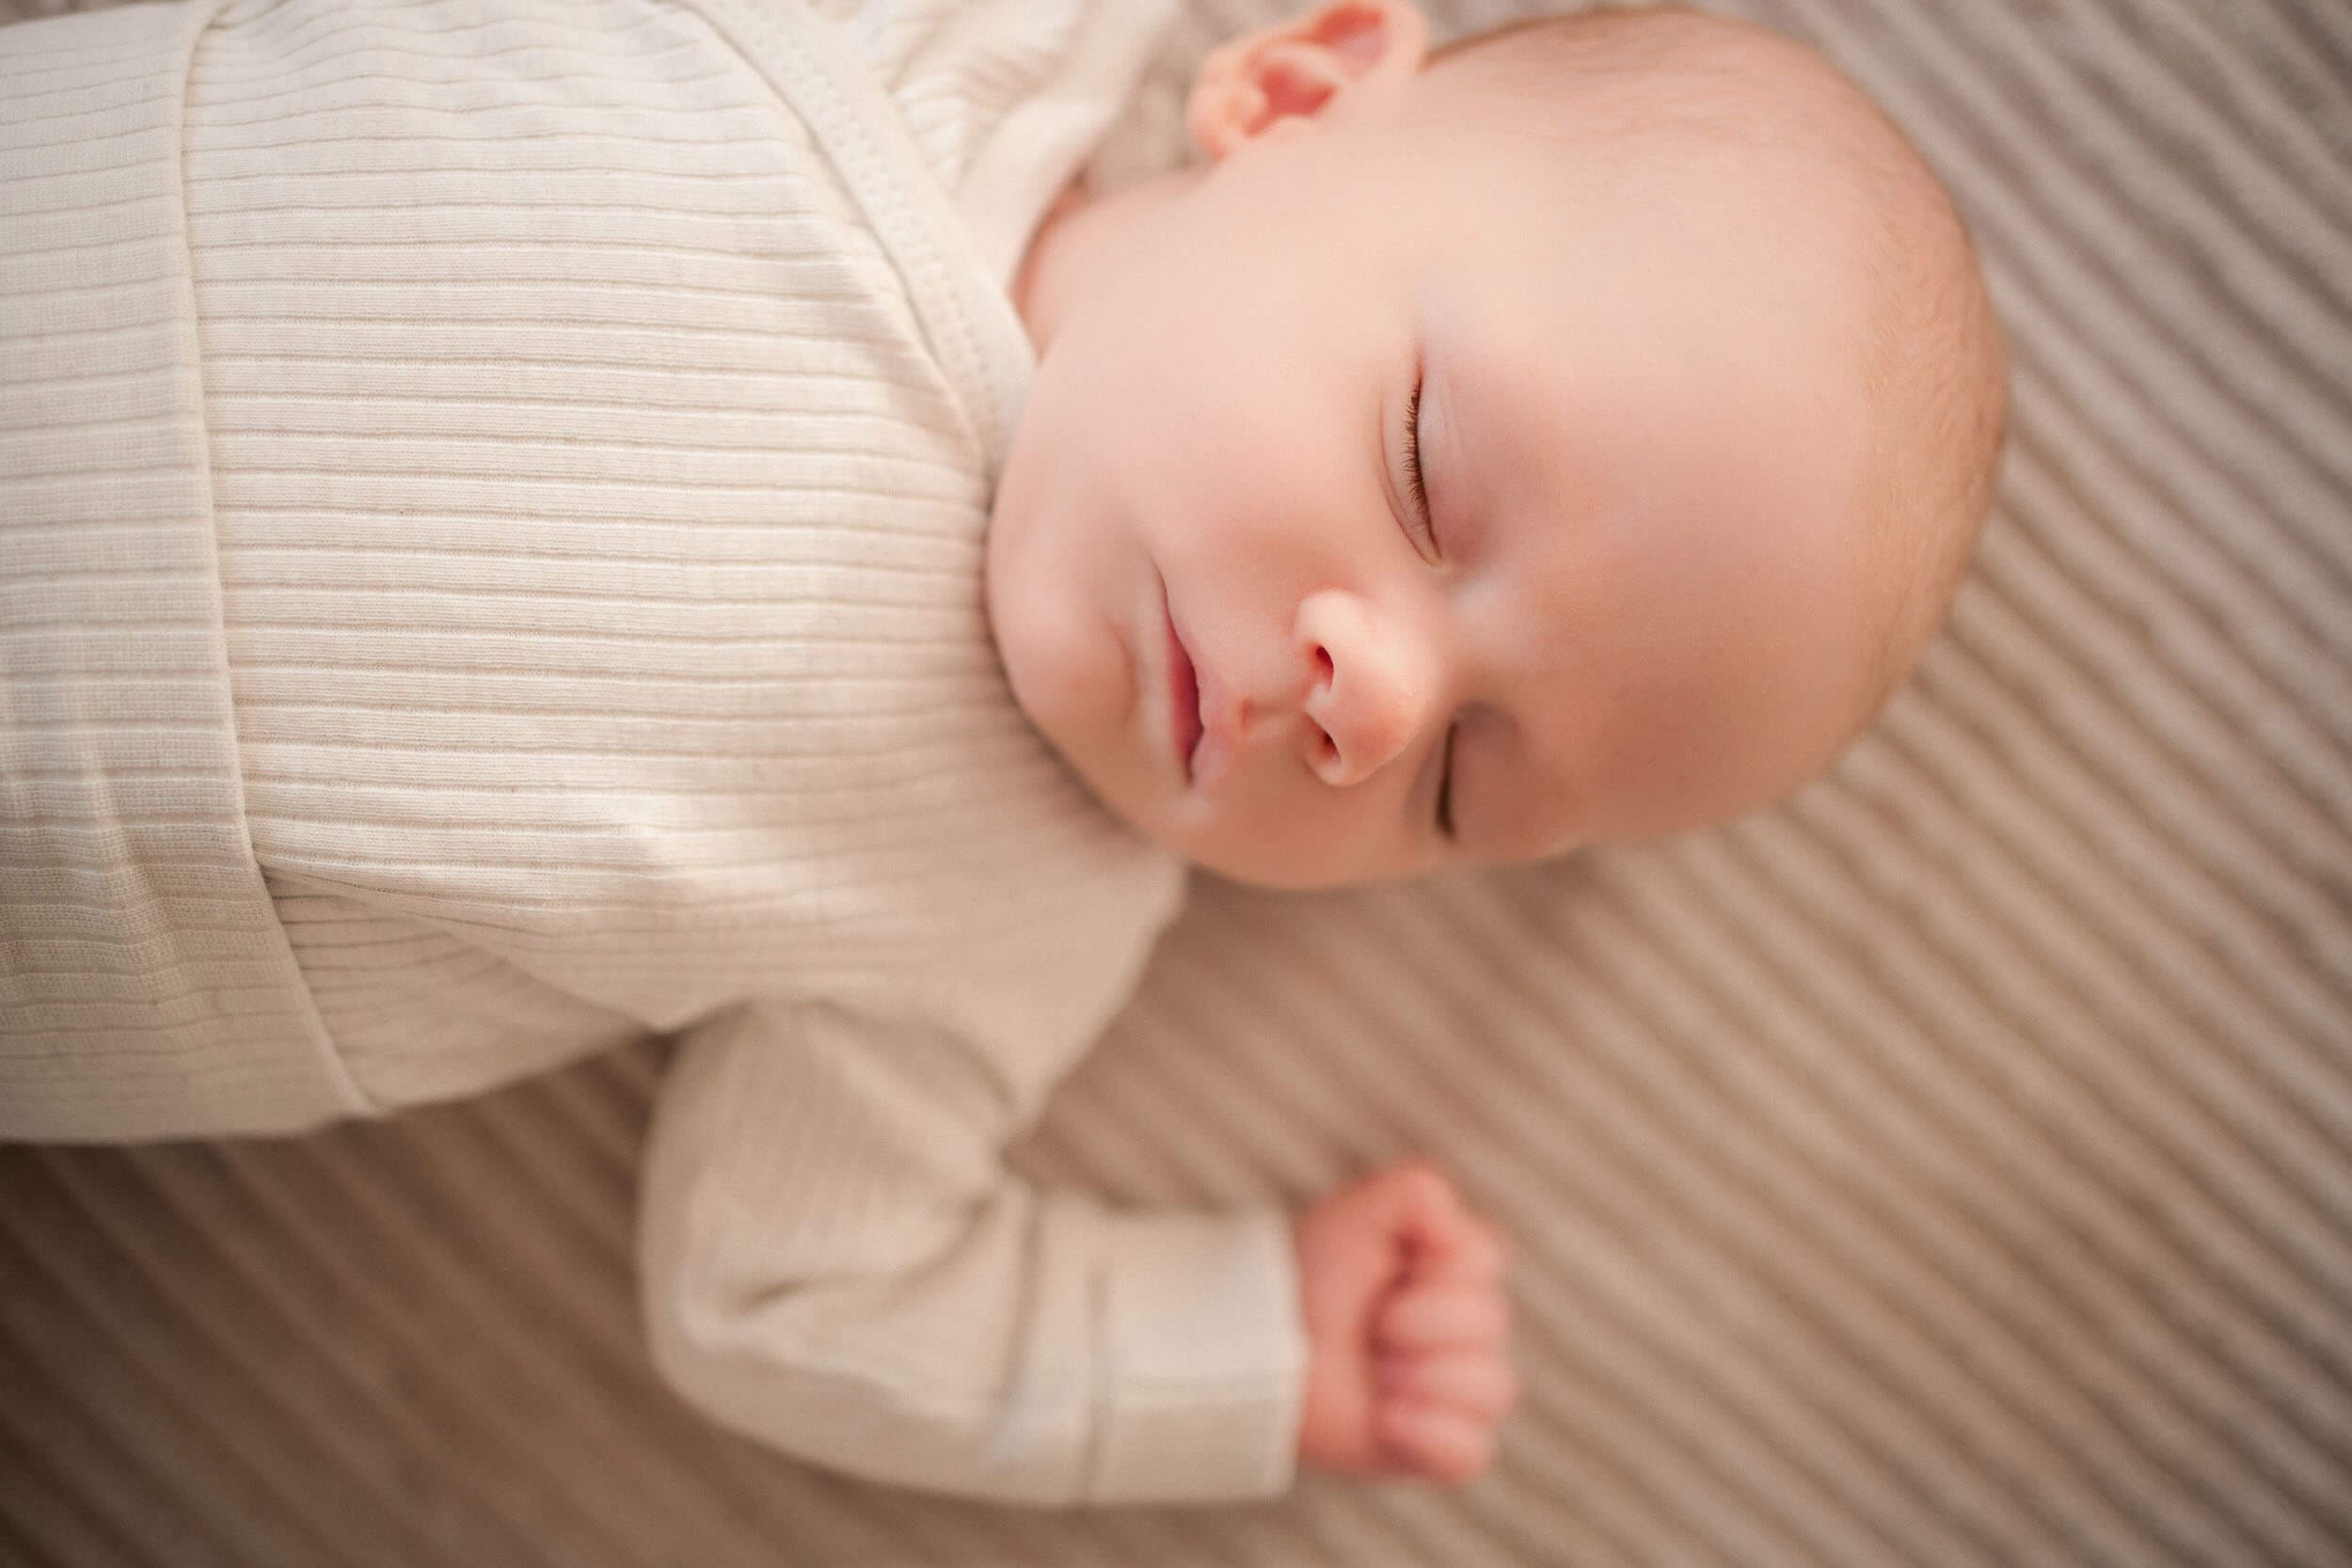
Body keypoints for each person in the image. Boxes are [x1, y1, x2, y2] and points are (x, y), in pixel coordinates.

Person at [0, 0, 2005, 1506]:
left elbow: (788, 1297)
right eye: (1422, 468)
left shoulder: (1011, 921)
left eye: (1460, 785)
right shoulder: (939, 52)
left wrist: (1250, 1349)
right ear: (1291, 92)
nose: (1369, 703)